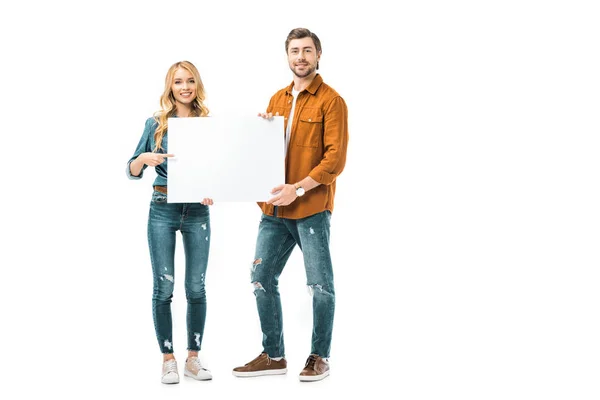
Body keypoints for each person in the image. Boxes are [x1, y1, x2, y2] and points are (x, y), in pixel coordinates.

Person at [232, 28, 349, 382]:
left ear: (318, 56)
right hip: (274, 211)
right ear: (287, 56)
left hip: (310, 208)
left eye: (307, 51)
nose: (301, 57)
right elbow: (268, 153)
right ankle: (274, 355)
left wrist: (296, 190)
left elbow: (334, 160)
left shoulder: (332, 100)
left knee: (320, 285)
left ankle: (319, 356)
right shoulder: (277, 99)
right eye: (295, 51)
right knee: (261, 278)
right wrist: (262, 131)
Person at [126, 61, 214, 384]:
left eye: (190, 81)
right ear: (170, 87)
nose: (185, 87)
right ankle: (168, 359)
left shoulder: (208, 124)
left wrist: (211, 189)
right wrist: (142, 159)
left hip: (197, 212)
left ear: (197, 85)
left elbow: (218, 169)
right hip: (162, 208)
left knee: (196, 287)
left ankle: (193, 358)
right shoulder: (155, 123)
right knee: (164, 286)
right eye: (178, 82)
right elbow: (131, 170)